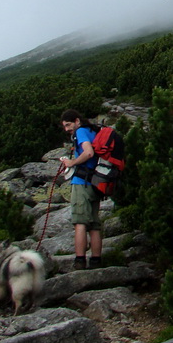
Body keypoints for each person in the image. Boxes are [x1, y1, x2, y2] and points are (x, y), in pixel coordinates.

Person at [60, 109, 103, 270]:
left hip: (81, 182)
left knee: (80, 223)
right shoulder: (93, 131)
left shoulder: (81, 132)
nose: (67, 129)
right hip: (96, 182)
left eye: (69, 124)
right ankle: (96, 262)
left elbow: (89, 153)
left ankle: (79, 262)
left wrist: (72, 163)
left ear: (77, 121)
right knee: (94, 224)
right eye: (64, 126)